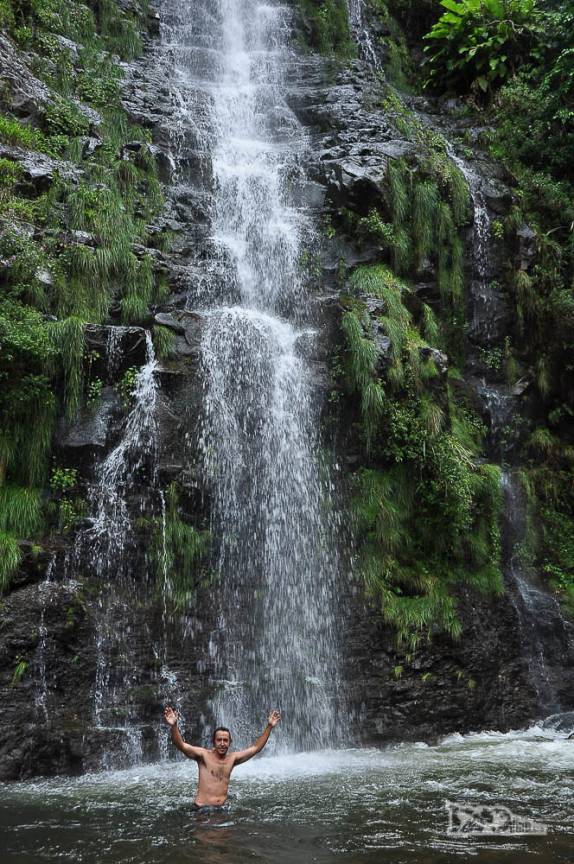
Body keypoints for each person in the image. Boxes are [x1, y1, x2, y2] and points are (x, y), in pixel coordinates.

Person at [163, 705, 281, 811]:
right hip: (202, 809)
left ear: (230, 743)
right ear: (213, 742)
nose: (222, 743)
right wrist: (174, 726)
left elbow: (255, 748)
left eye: (225, 740)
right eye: (219, 740)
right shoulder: (203, 755)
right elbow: (181, 745)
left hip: (222, 810)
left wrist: (269, 726)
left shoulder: (232, 759)